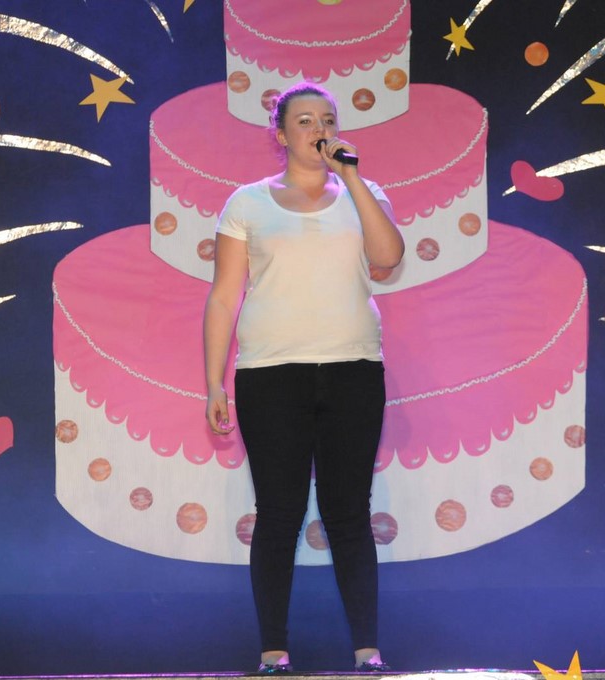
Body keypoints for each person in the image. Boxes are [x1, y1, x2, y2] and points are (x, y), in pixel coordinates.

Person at [203, 81, 404, 674]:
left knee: (349, 512)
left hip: (353, 369)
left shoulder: (364, 193)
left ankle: (367, 652)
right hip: (271, 374)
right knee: (280, 512)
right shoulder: (248, 202)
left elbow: (388, 258)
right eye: (305, 121)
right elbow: (223, 297)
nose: (319, 130)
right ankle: (273, 653)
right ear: (281, 134)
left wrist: (353, 179)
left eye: (327, 120)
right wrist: (214, 383)